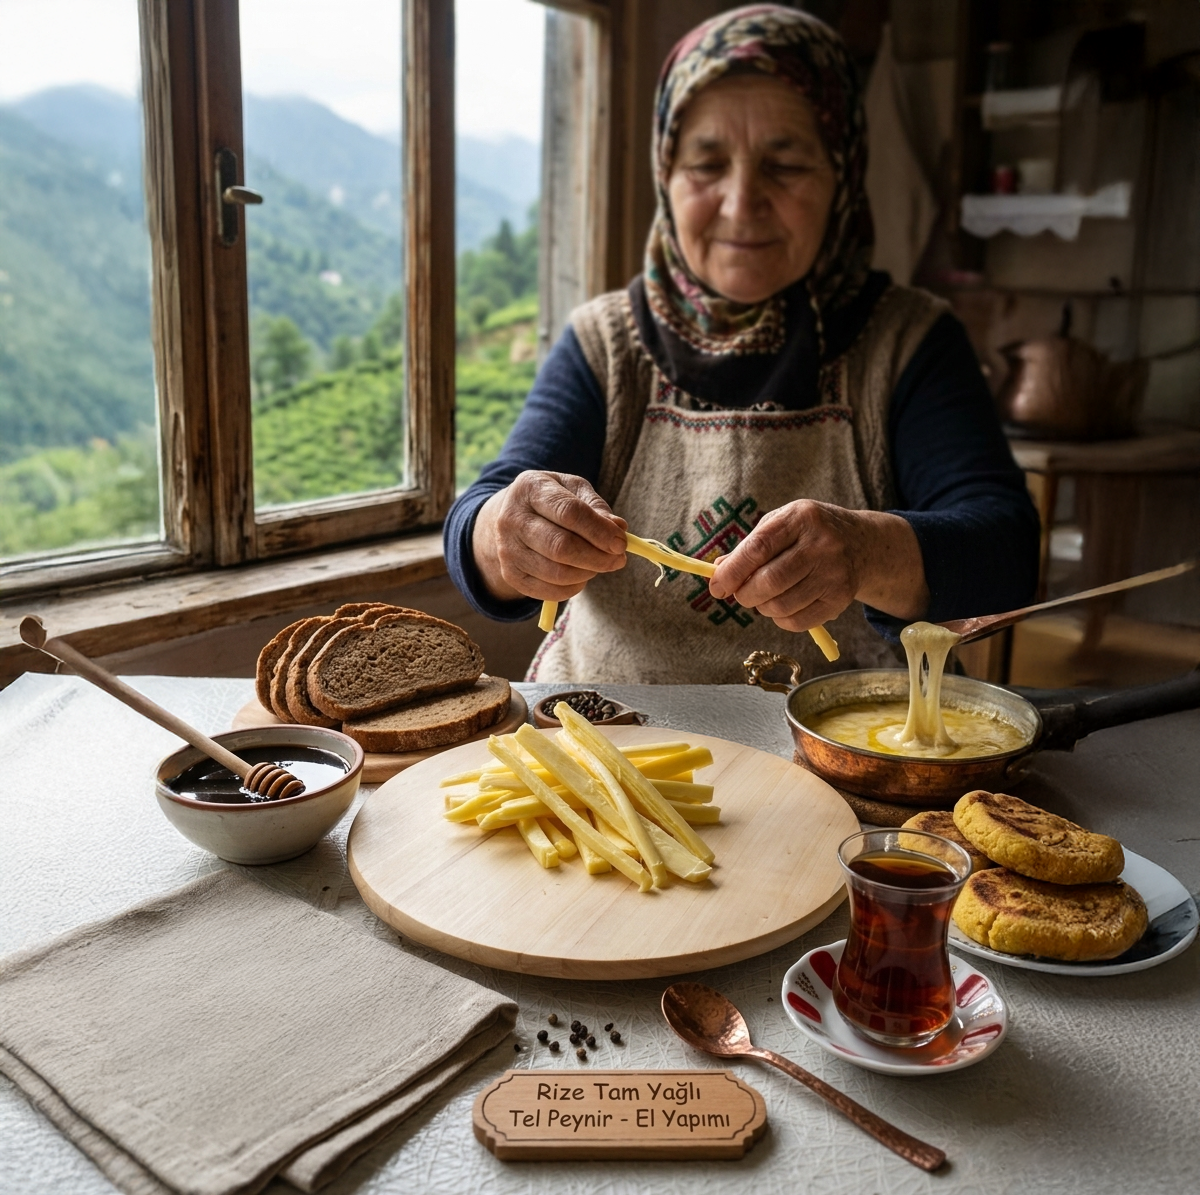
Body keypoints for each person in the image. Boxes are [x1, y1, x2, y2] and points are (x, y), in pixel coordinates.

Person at [444, 4, 1039, 684]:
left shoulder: (910, 343)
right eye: (705, 164)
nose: (740, 202)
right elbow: (481, 520)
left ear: (842, 176)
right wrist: (505, 532)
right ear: (665, 175)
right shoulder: (605, 345)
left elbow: (1007, 554)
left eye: (785, 166)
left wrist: (866, 552)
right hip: (612, 747)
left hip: (850, 752)